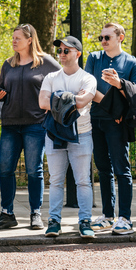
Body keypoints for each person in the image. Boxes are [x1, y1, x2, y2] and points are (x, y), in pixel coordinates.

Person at [0, 23, 60, 230]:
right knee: (5, 169)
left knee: (34, 170)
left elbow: (63, 79)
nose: (13, 41)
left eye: (17, 38)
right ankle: (7, 213)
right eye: (13, 38)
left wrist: (51, 105)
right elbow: (0, 89)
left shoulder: (46, 62)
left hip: (35, 124)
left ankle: (35, 213)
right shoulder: (8, 64)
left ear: (30, 40)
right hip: (10, 124)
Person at [84, 22, 136, 234]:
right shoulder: (94, 58)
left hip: (119, 124)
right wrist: (112, 110)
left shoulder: (131, 62)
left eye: (107, 37)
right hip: (98, 119)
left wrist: (119, 84)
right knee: (103, 169)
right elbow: (89, 89)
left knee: (122, 169)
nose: (103, 41)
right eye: (101, 38)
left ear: (121, 37)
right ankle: (108, 216)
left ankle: (125, 218)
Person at [39, 36, 97, 238]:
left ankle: (85, 221)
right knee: (55, 180)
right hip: (54, 133)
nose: (62, 54)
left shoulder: (88, 78)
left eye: (66, 50)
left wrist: (58, 97)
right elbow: (42, 103)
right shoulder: (51, 77)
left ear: (78, 54)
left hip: (81, 133)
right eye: (60, 51)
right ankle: (54, 221)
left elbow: (83, 101)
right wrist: (69, 97)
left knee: (83, 181)